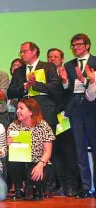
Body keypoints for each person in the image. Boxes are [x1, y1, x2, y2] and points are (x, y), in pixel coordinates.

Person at [61, 33, 96, 198]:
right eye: (73, 45)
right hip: (75, 111)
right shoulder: (68, 65)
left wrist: (86, 80)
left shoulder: (95, 61)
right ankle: (85, 186)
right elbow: (67, 91)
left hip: (92, 109)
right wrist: (65, 82)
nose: (76, 48)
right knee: (80, 151)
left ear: (87, 45)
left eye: (79, 44)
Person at [7, 98, 55, 200]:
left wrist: (41, 164)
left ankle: (37, 189)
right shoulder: (13, 126)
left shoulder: (43, 126)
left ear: (31, 112)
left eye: (21, 108)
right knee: (11, 160)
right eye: (17, 108)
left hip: (39, 162)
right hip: (21, 162)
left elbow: (48, 152)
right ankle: (19, 189)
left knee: (36, 174)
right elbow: (12, 151)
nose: (18, 111)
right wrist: (9, 144)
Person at [47, 48, 79, 197]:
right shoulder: (45, 75)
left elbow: (72, 93)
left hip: (66, 118)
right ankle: (59, 185)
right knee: (54, 154)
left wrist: (65, 80)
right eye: (50, 57)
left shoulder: (69, 72)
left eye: (55, 57)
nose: (52, 59)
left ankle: (72, 185)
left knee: (69, 153)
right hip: (51, 118)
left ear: (62, 59)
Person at [8, 41, 61, 129]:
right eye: (20, 52)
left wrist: (35, 84)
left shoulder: (48, 66)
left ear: (34, 51)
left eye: (24, 51)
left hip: (44, 110)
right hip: (24, 113)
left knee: (46, 141)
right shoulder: (18, 71)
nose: (22, 54)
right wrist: (25, 87)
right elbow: (10, 93)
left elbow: (54, 87)